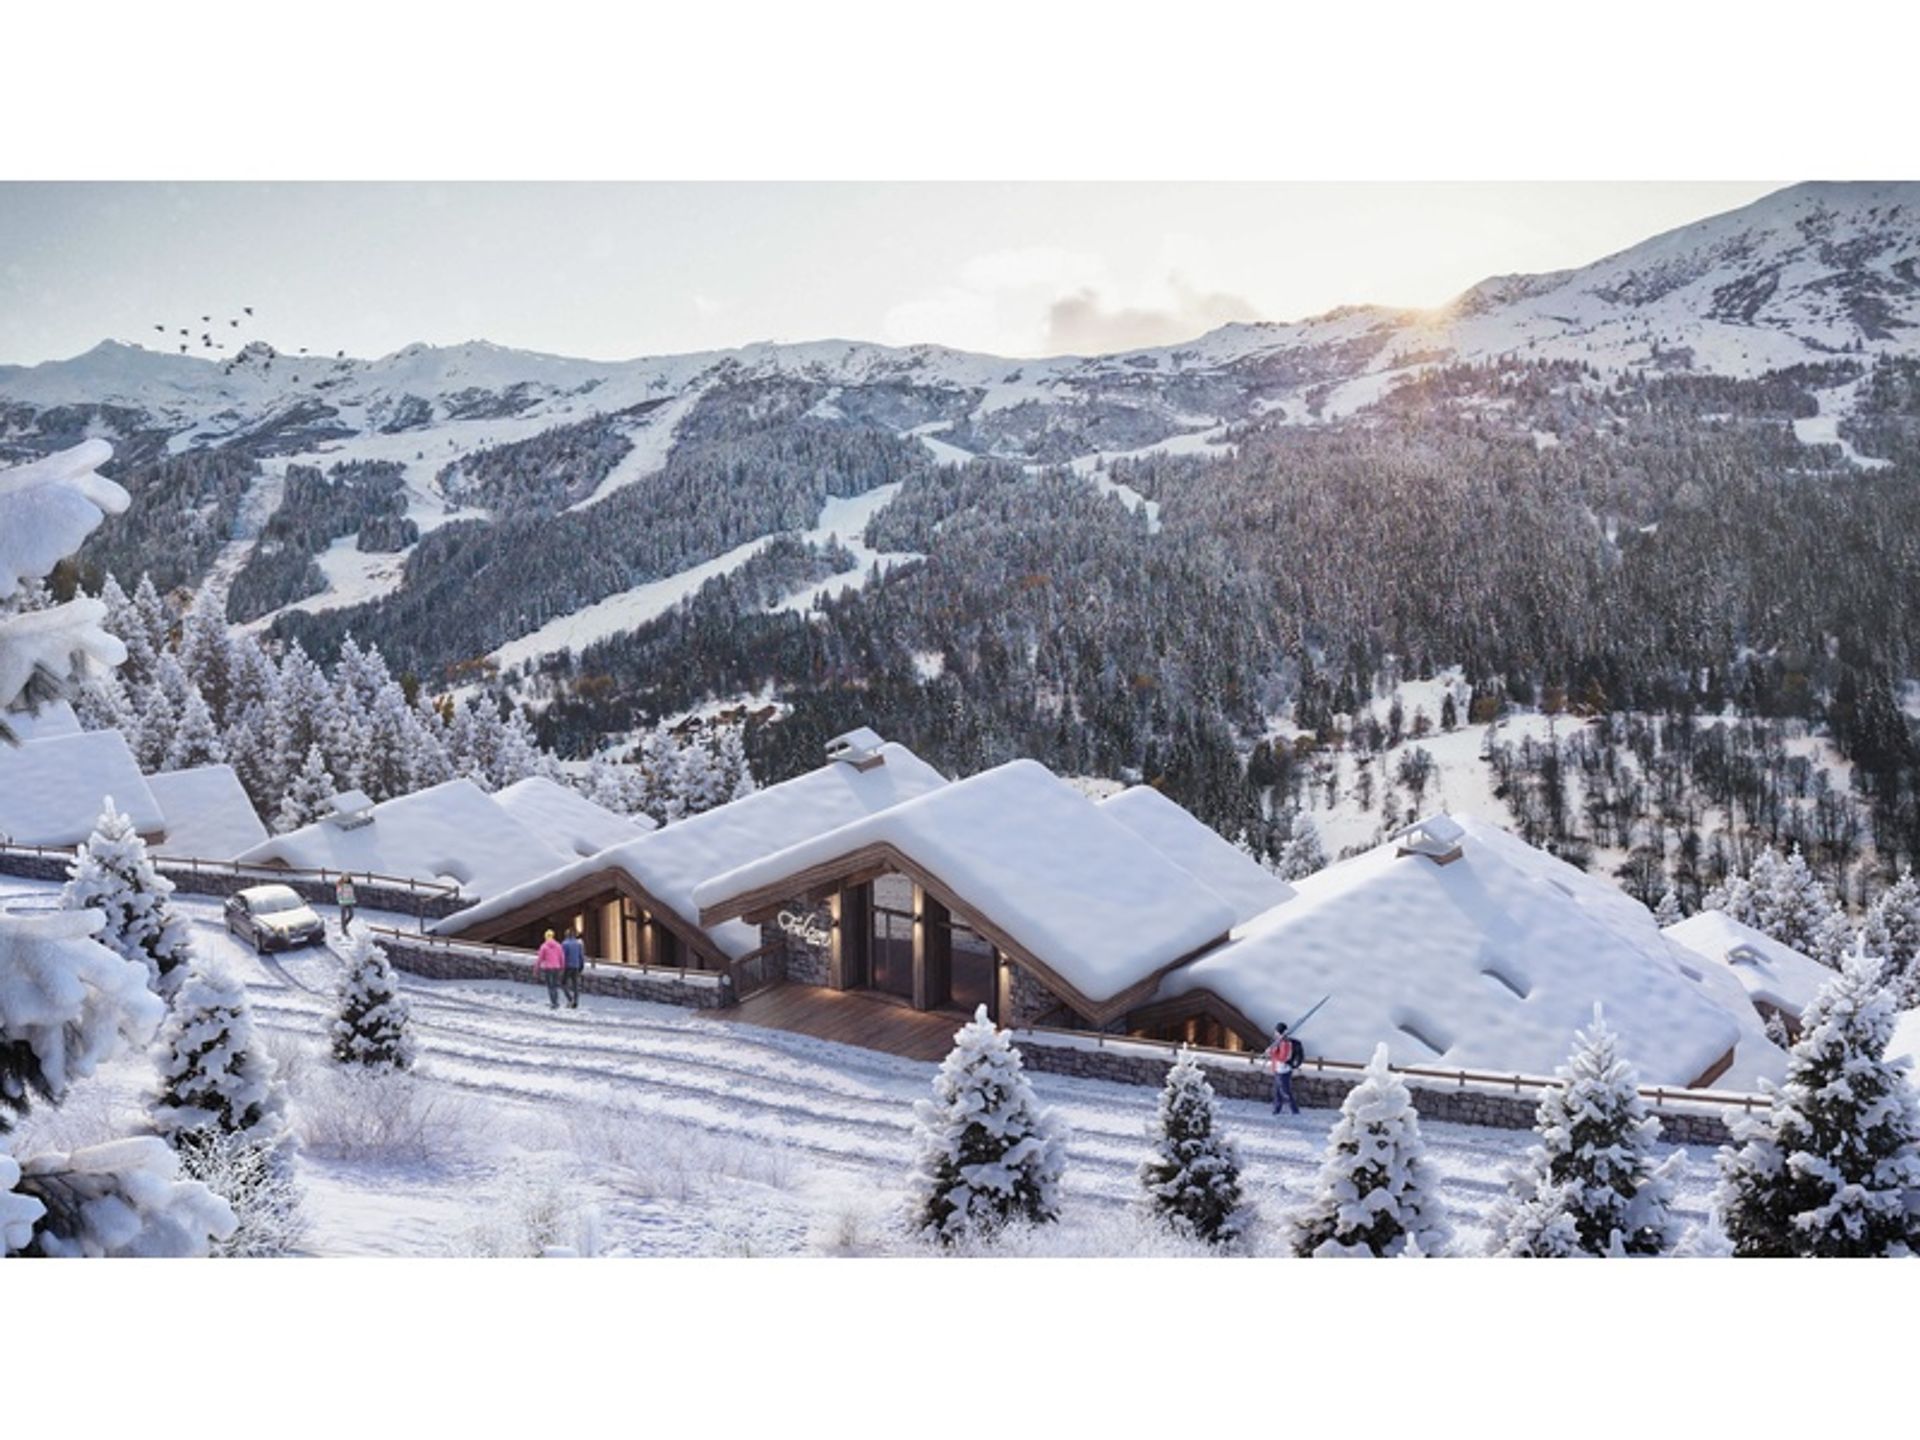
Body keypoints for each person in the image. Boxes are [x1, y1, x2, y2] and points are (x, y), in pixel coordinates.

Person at [1264, 1021, 1303, 1116]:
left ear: (1280, 1032)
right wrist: (1270, 1052)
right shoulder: (1277, 1042)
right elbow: (1276, 1055)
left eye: (1276, 1031)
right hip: (1278, 1070)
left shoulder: (1285, 1043)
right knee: (1277, 1091)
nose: (1274, 1033)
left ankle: (1294, 1110)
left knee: (1285, 1091)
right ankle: (1277, 1109)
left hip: (1284, 1070)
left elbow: (1283, 1058)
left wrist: (1272, 1053)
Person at [535, 928, 565, 1009]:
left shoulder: (544, 946)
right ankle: (556, 1002)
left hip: (548, 968)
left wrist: (536, 969)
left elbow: (540, 959)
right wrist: (562, 967)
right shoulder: (558, 946)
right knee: (555, 985)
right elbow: (562, 957)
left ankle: (553, 1003)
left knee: (550, 986)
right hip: (557, 968)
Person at [560, 927, 587, 1009]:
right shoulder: (578, 944)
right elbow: (581, 956)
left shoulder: (564, 944)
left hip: (567, 966)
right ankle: (576, 1001)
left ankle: (570, 998)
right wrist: (581, 965)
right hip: (576, 966)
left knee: (563, 983)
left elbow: (562, 956)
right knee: (575, 985)